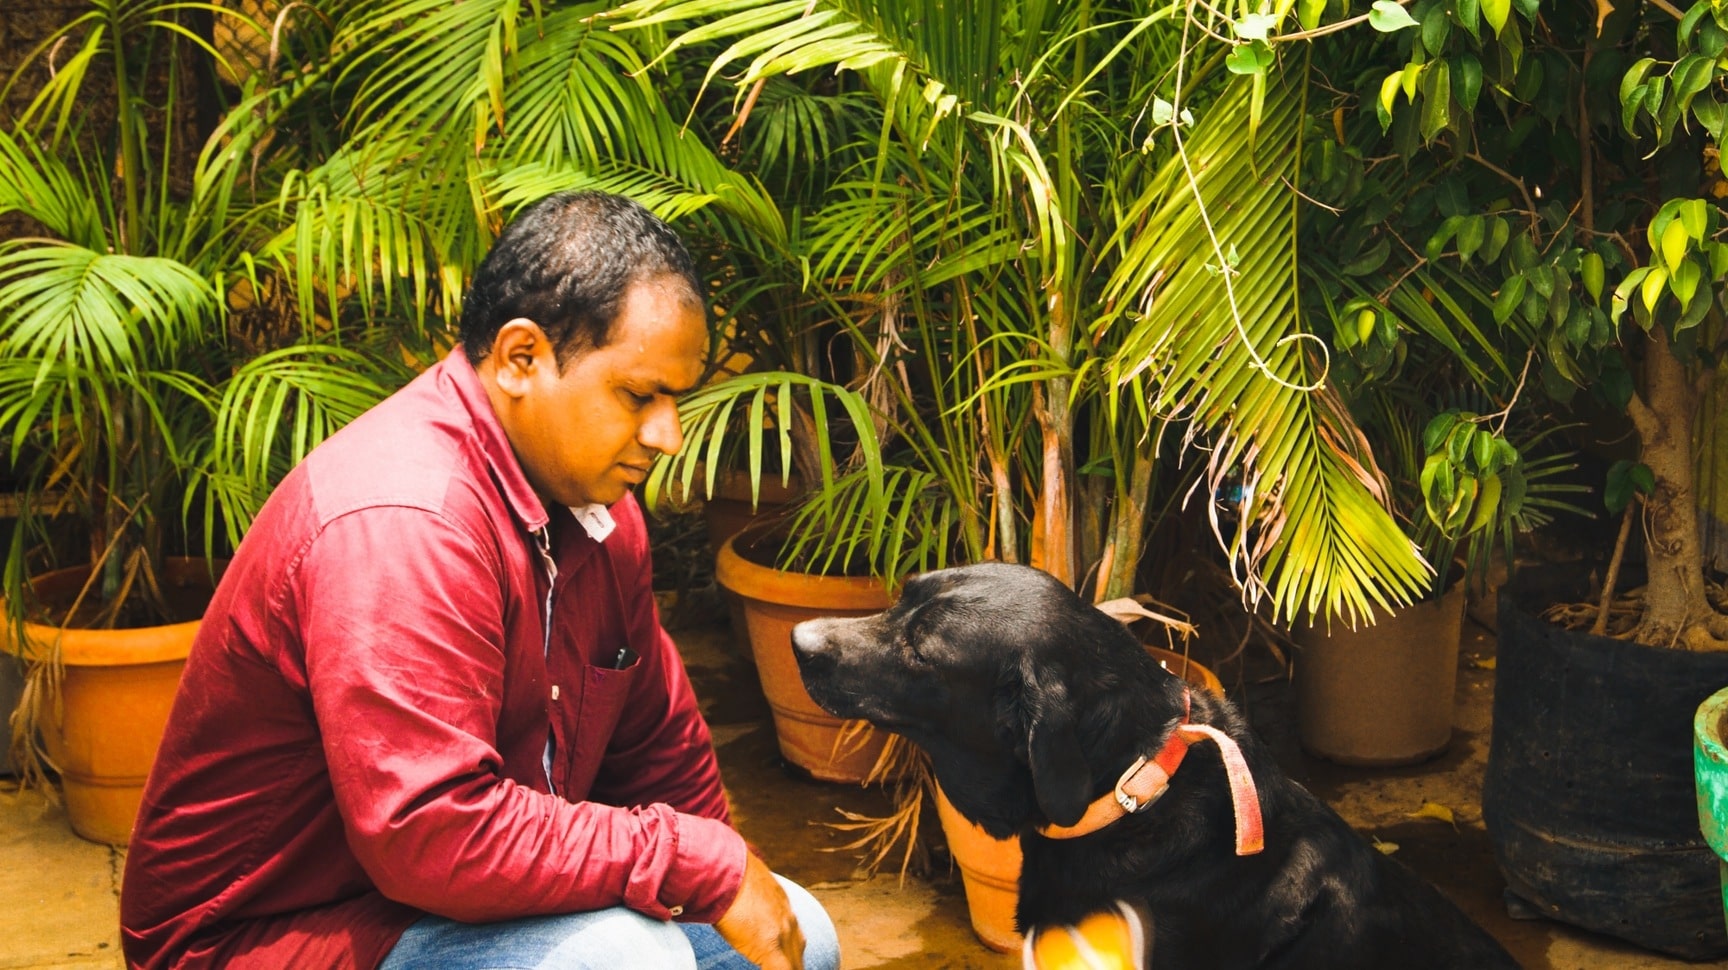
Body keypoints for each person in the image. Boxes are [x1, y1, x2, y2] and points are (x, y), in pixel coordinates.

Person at [119, 191, 839, 970]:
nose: (668, 435)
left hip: (451, 902)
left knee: (797, 932)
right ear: (521, 358)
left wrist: (725, 873)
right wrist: (687, 859)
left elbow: (660, 758)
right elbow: (432, 831)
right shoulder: (405, 521)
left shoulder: (601, 513)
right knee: (621, 961)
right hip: (267, 937)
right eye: (639, 395)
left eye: (676, 399)